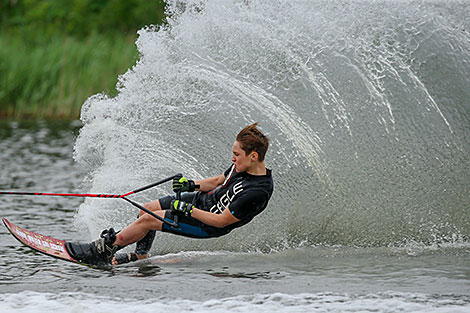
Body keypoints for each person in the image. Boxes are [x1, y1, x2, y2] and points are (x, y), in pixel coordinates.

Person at [65, 123, 274, 265]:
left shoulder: (257, 192)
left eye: (236, 155)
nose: (233, 159)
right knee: (146, 209)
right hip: (200, 201)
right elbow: (218, 181)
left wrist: (188, 210)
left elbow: (221, 221)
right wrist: (190, 185)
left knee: (148, 220)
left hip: (207, 223)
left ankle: (102, 251)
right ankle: (140, 255)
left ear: (253, 156)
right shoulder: (241, 167)